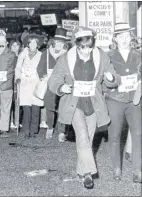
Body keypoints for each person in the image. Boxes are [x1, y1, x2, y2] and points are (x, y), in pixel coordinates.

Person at [48, 26, 120, 189]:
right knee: (82, 136)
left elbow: (114, 77)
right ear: (76, 44)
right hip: (75, 103)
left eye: (89, 47)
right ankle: (89, 174)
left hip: (94, 103)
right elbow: (54, 80)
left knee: (88, 138)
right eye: (82, 47)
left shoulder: (101, 56)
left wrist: (110, 77)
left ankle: (81, 172)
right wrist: (62, 87)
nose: (86, 51)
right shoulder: (66, 59)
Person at [105, 23, 141, 183]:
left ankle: (137, 170)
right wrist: (109, 83)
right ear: (115, 39)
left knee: (138, 134)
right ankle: (116, 169)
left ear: (131, 38)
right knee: (114, 136)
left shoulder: (139, 54)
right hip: (115, 100)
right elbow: (103, 80)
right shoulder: (108, 56)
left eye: (127, 36)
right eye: (121, 36)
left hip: (135, 100)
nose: (125, 39)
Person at [38, 27, 69, 139]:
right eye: (57, 43)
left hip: (63, 84)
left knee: (63, 107)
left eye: (62, 43)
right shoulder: (46, 53)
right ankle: (50, 127)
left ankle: (62, 131)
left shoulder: (67, 55)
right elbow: (40, 68)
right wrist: (43, 76)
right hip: (49, 84)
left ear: (64, 44)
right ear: (53, 42)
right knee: (50, 106)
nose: (59, 45)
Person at [15, 34, 44, 138]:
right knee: (26, 108)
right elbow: (18, 67)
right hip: (25, 83)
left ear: (38, 44)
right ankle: (26, 129)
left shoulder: (41, 55)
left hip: (36, 83)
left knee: (36, 108)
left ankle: (33, 130)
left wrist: (42, 79)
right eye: (31, 42)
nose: (32, 44)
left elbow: (43, 68)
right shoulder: (23, 54)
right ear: (28, 44)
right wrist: (18, 77)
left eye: (35, 43)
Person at [9, 39, 22, 129]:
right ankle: (10, 121)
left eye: (16, 45)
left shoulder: (21, 56)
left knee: (19, 100)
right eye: (13, 45)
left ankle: (17, 120)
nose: (15, 47)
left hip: (19, 79)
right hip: (10, 79)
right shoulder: (9, 56)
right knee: (11, 101)